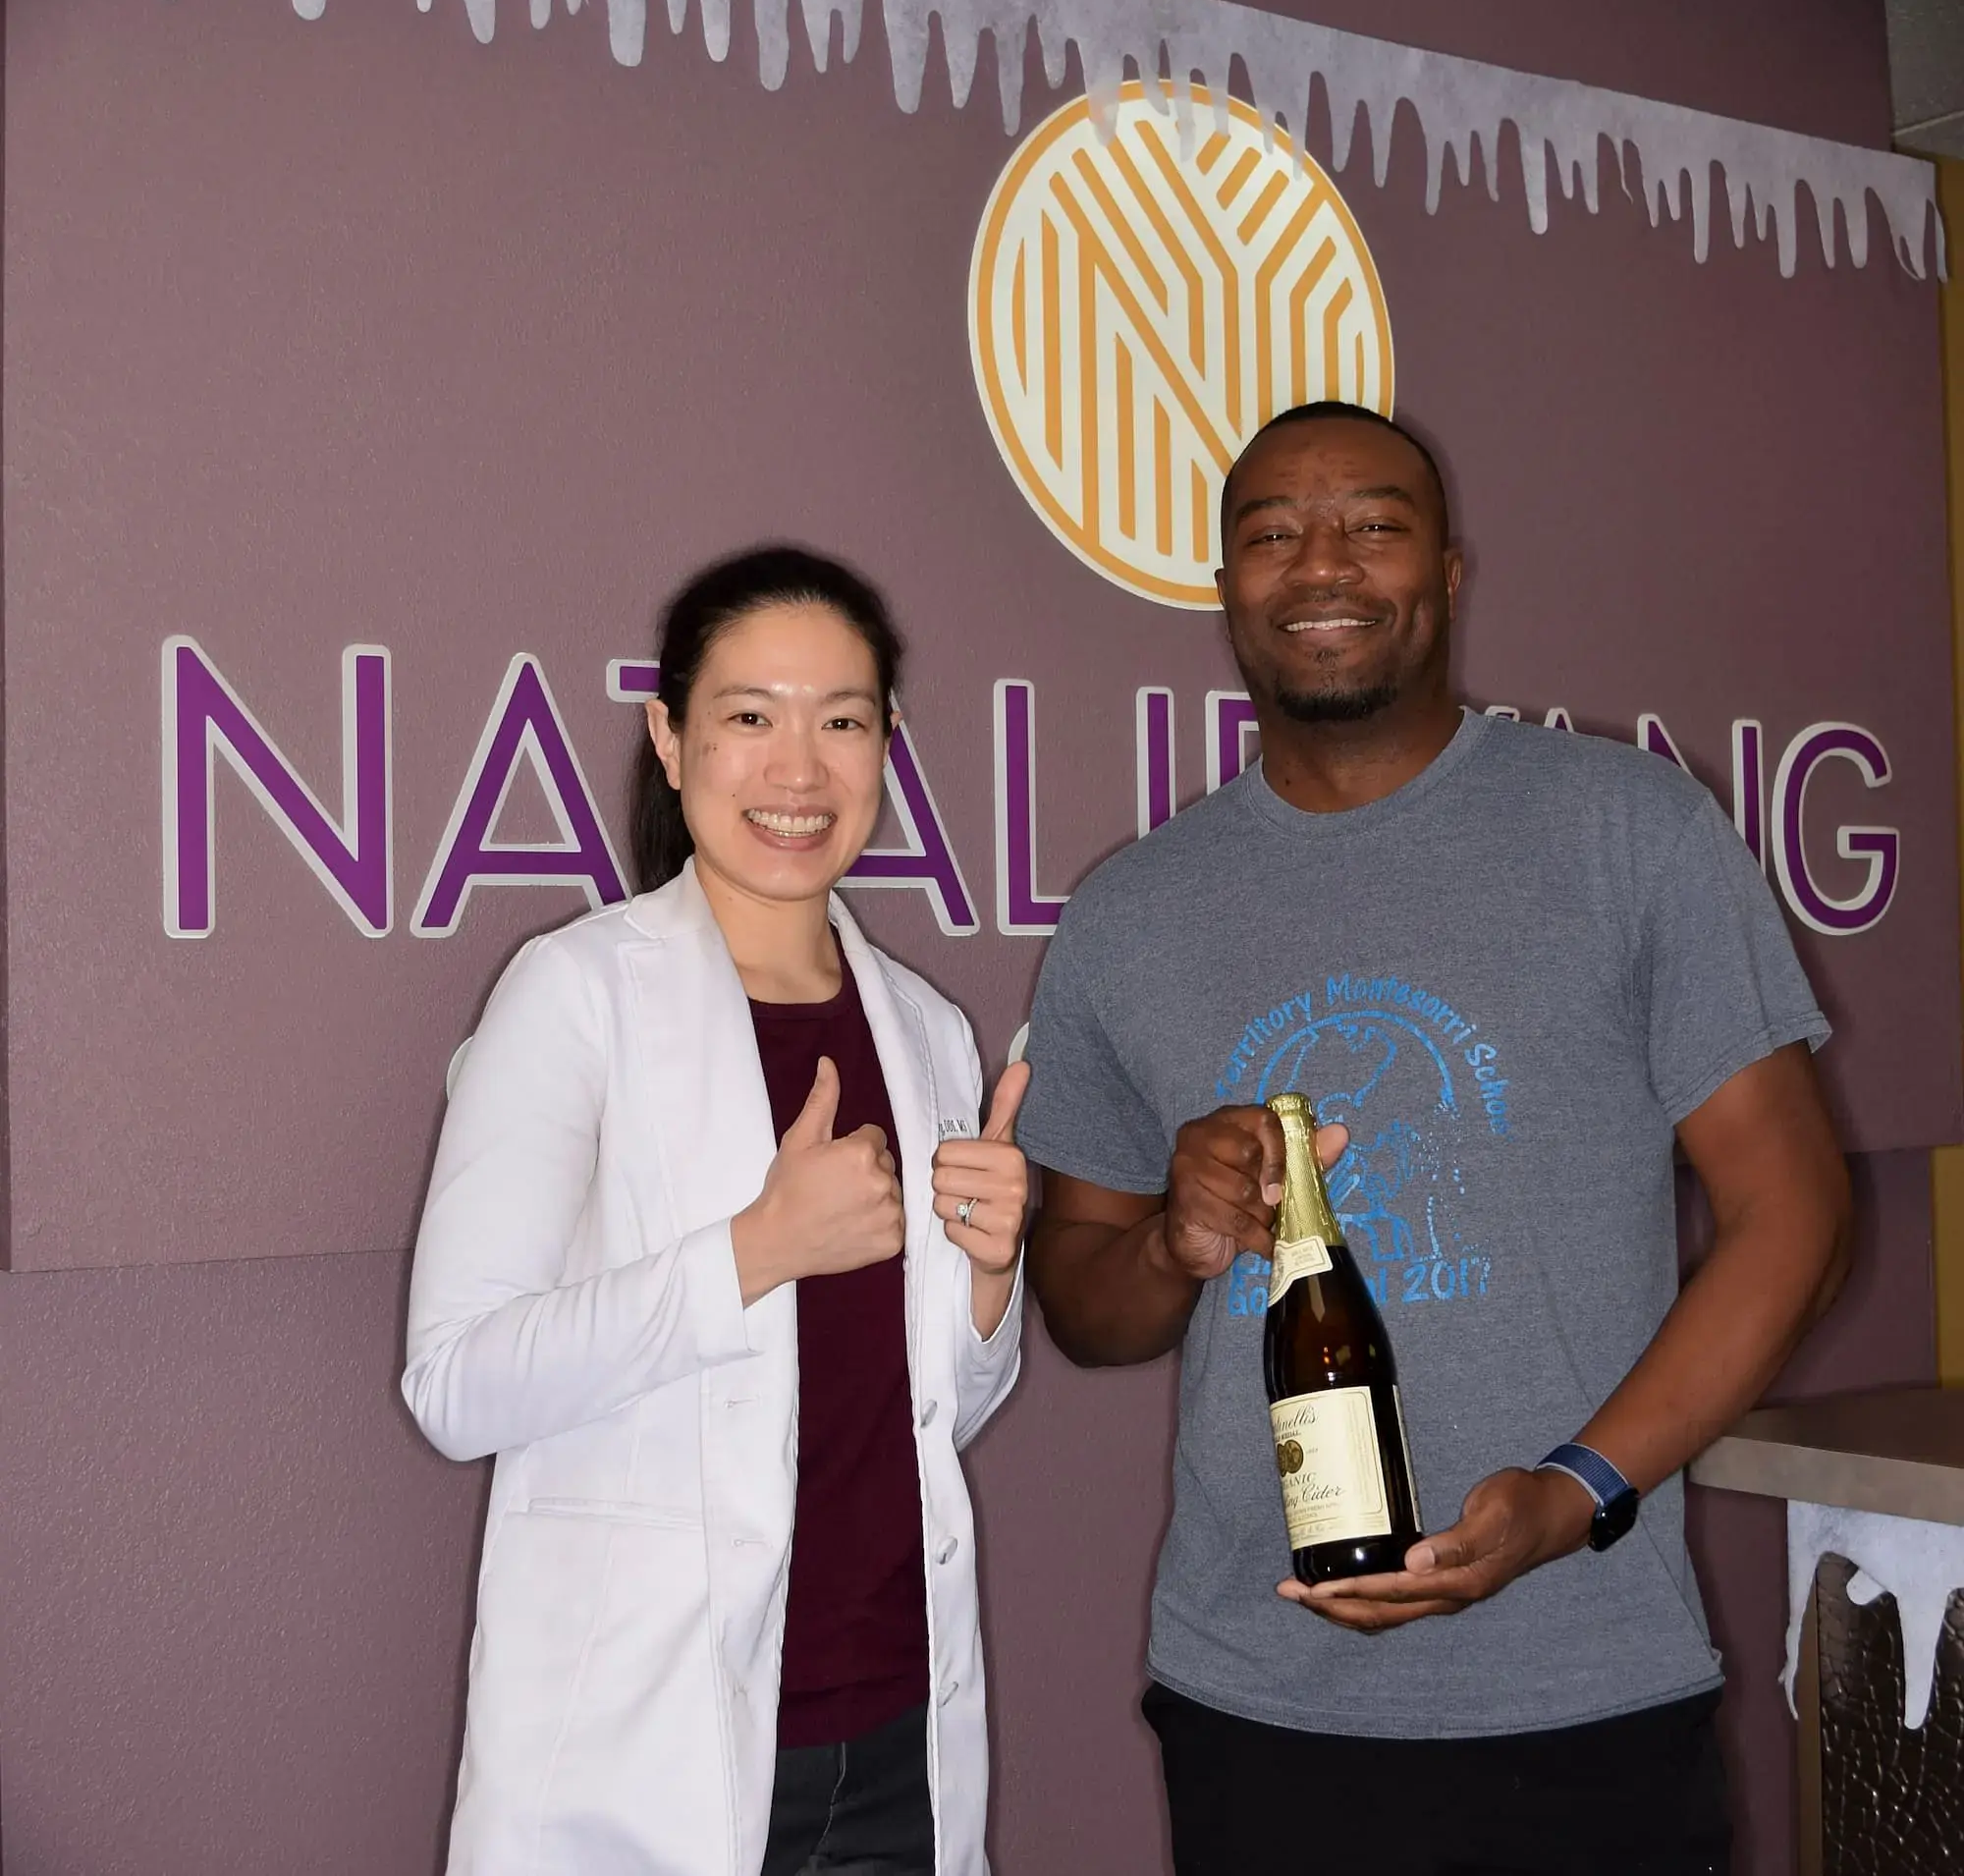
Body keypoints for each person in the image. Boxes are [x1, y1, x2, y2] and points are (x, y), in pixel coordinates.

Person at [1016, 402, 1852, 1876]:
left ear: (1451, 573)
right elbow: (1088, 1302)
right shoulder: (1127, 911)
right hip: (1258, 1695)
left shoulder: (1630, 830)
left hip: (1582, 1685)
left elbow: (1794, 1213)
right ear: (1225, 587)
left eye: (1373, 524)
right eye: (1271, 531)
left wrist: (1578, 1491)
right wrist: (1169, 1237)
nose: (1320, 561)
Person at [403, 546, 1030, 1876]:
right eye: (751, 715)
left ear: (887, 747)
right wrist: (749, 1255)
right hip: (650, 1761)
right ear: (670, 736)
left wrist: (987, 1283)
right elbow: (454, 1383)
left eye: (842, 721)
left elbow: (932, 1416)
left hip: (900, 1743)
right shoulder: (572, 996)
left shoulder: (925, 1030)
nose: (799, 769)